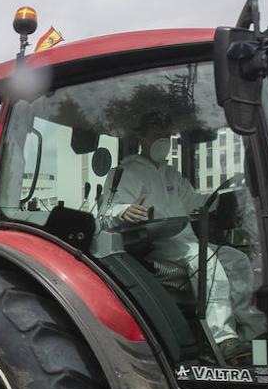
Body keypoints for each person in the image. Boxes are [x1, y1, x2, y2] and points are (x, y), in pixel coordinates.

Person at [99, 131, 248, 362]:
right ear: (142, 134)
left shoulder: (171, 175)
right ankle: (223, 337)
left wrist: (228, 196)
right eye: (155, 127)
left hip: (186, 238)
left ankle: (249, 329)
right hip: (155, 242)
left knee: (237, 260)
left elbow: (195, 202)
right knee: (206, 261)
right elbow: (106, 211)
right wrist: (125, 211)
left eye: (166, 128)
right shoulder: (125, 172)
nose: (163, 136)